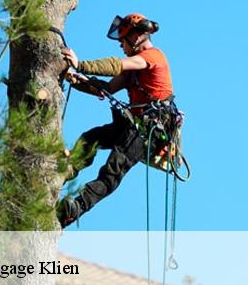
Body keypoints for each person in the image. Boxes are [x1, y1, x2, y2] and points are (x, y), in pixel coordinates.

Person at [57, 13, 174, 228]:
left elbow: (115, 65)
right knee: (90, 138)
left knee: (113, 170)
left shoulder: (152, 57)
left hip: (148, 131)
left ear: (137, 36)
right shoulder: (134, 70)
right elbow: (107, 88)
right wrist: (77, 80)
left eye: (123, 40)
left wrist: (80, 64)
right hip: (133, 125)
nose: (121, 45)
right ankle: (66, 170)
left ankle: (76, 209)